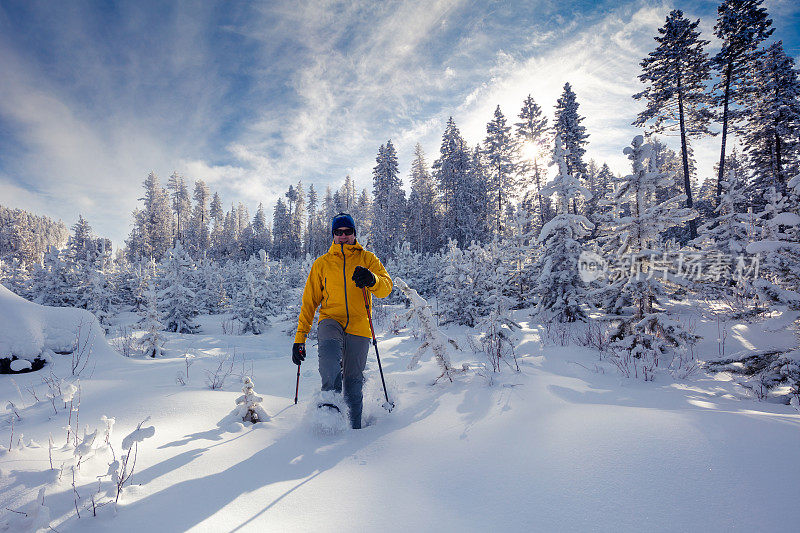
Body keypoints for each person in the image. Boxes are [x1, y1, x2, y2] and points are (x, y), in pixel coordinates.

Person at [292, 213, 392, 429]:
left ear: (354, 233)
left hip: (359, 324)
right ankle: (329, 414)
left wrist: (371, 279)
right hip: (331, 319)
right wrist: (300, 338)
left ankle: (355, 430)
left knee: (354, 382)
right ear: (333, 235)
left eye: (348, 232)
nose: (343, 236)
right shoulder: (322, 264)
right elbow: (309, 302)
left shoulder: (368, 259)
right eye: (339, 232)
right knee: (329, 360)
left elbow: (386, 288)